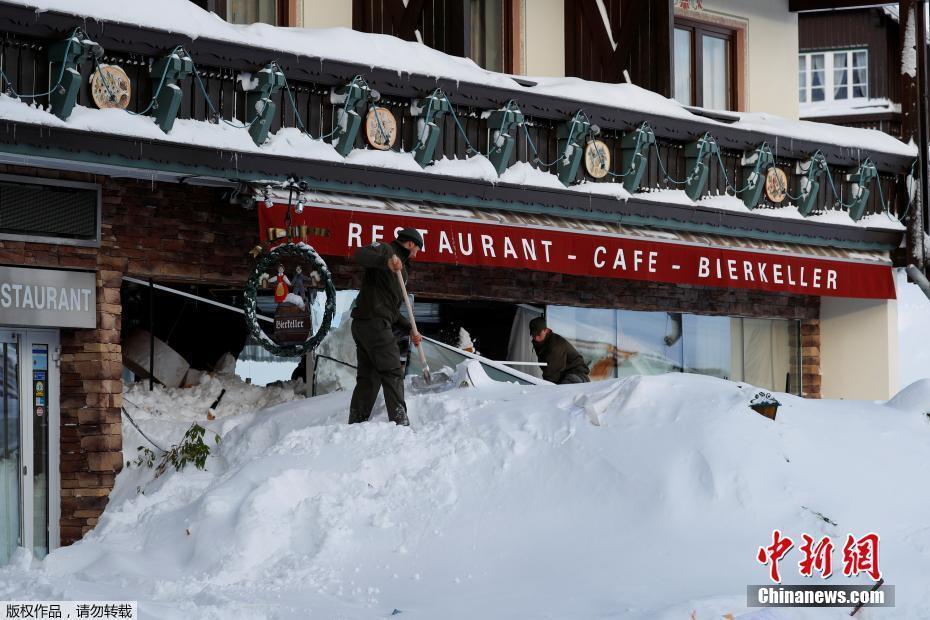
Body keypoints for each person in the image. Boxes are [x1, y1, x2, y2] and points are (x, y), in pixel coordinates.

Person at [348, 228, 424, 426]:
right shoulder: (385, 249)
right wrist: (386, 262)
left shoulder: (402, 270)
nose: (416, 254)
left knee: (369, 378)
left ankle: (355, 424)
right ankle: (400, 423)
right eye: (417, 249)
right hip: (374, 323)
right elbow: (360, 254)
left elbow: (391, 310)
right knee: (392, 371)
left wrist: (410, 329)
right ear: (409, 244)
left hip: (368, 324)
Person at [529, 316, 591, 384]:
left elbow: (552, 373)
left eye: (538, 334)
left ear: (546, 330)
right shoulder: (541, 343)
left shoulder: (555, 345)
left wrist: (545, 388)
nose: (536, 338)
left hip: (576, 377)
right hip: (565, 376)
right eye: (533, 335)